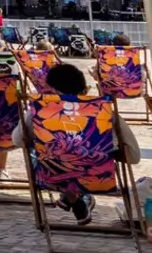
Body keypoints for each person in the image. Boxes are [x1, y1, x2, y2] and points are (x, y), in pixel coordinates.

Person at [45, 61, 139, 224]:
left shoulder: (40, 114)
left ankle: (72, 195)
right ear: (85, 90)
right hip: (99, 177)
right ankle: (76, 195)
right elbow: (134, 156)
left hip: (52, 177)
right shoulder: (104, 113)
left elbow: (18, 139)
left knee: (37, 150)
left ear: (53, 91)